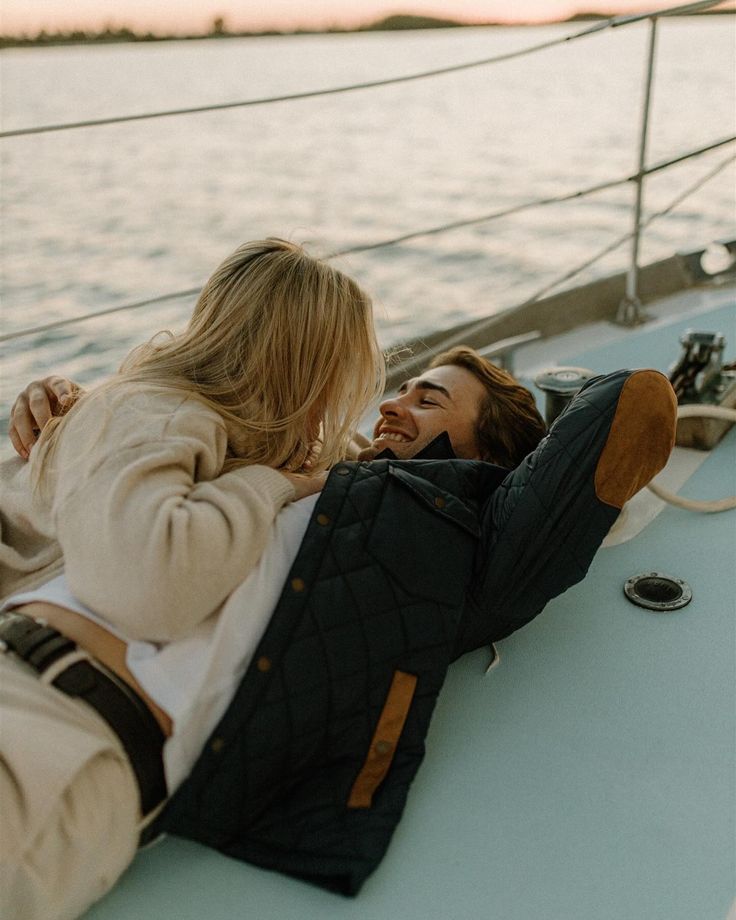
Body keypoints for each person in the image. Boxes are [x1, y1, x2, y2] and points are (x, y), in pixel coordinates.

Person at [1, 350, 676, 916]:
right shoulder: (303, 466)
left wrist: (518, 454)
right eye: (401, 388)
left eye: (429, 401)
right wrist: (80, 409)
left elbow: (628, 403)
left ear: (489, 454)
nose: (393, 404)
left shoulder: (463, 550)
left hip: (69, 743)